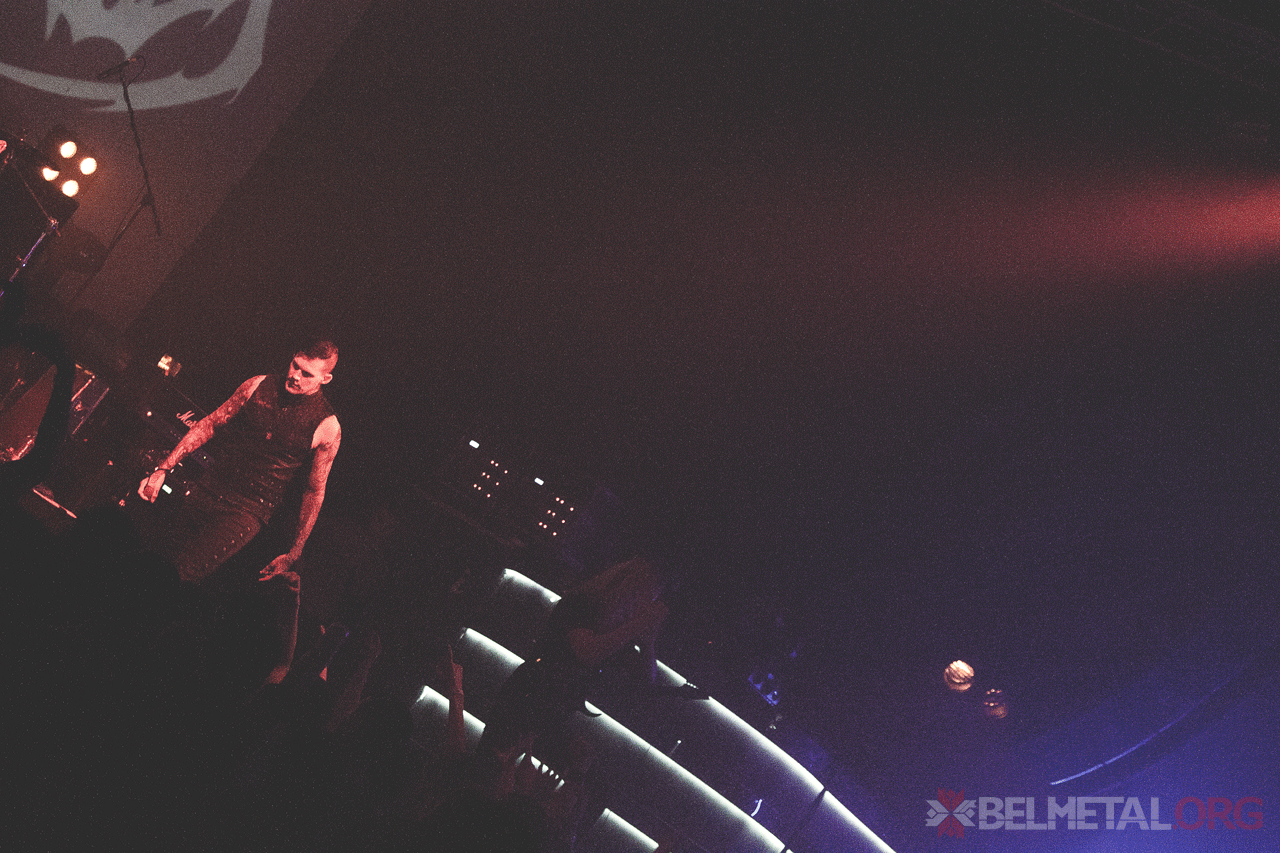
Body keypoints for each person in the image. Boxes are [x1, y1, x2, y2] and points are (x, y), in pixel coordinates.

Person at [137, 340, 341, 587]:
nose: (295, 376)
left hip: (248, 510)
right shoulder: (258, 385)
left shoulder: (327, 426)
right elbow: (210, 423)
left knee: (185, 573)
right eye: (295, 365)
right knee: (160, 556)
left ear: (325, 379)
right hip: (210, 486)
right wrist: (162, 469)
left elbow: (314, 490)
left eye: (306, 374)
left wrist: (294, 552)